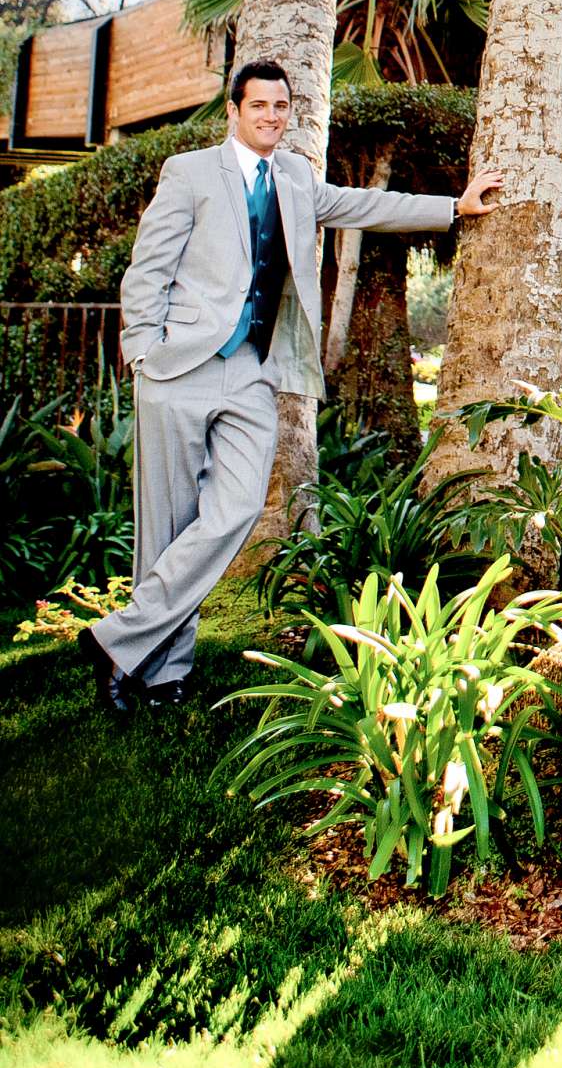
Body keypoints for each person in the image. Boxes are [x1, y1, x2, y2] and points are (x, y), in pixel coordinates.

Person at [80, 59, 502, 715]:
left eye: (282, 106)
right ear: (234, 109)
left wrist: (452, 206)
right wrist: (143, 351)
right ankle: (162, 673)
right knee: (164, 527)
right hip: (178, 368)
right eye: (261, 106)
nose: (273, 117)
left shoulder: (298, 180)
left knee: (239, 507)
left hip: (252, 368)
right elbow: (147, 271)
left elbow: (363, 204)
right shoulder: (190, 173)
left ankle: (118, 640)